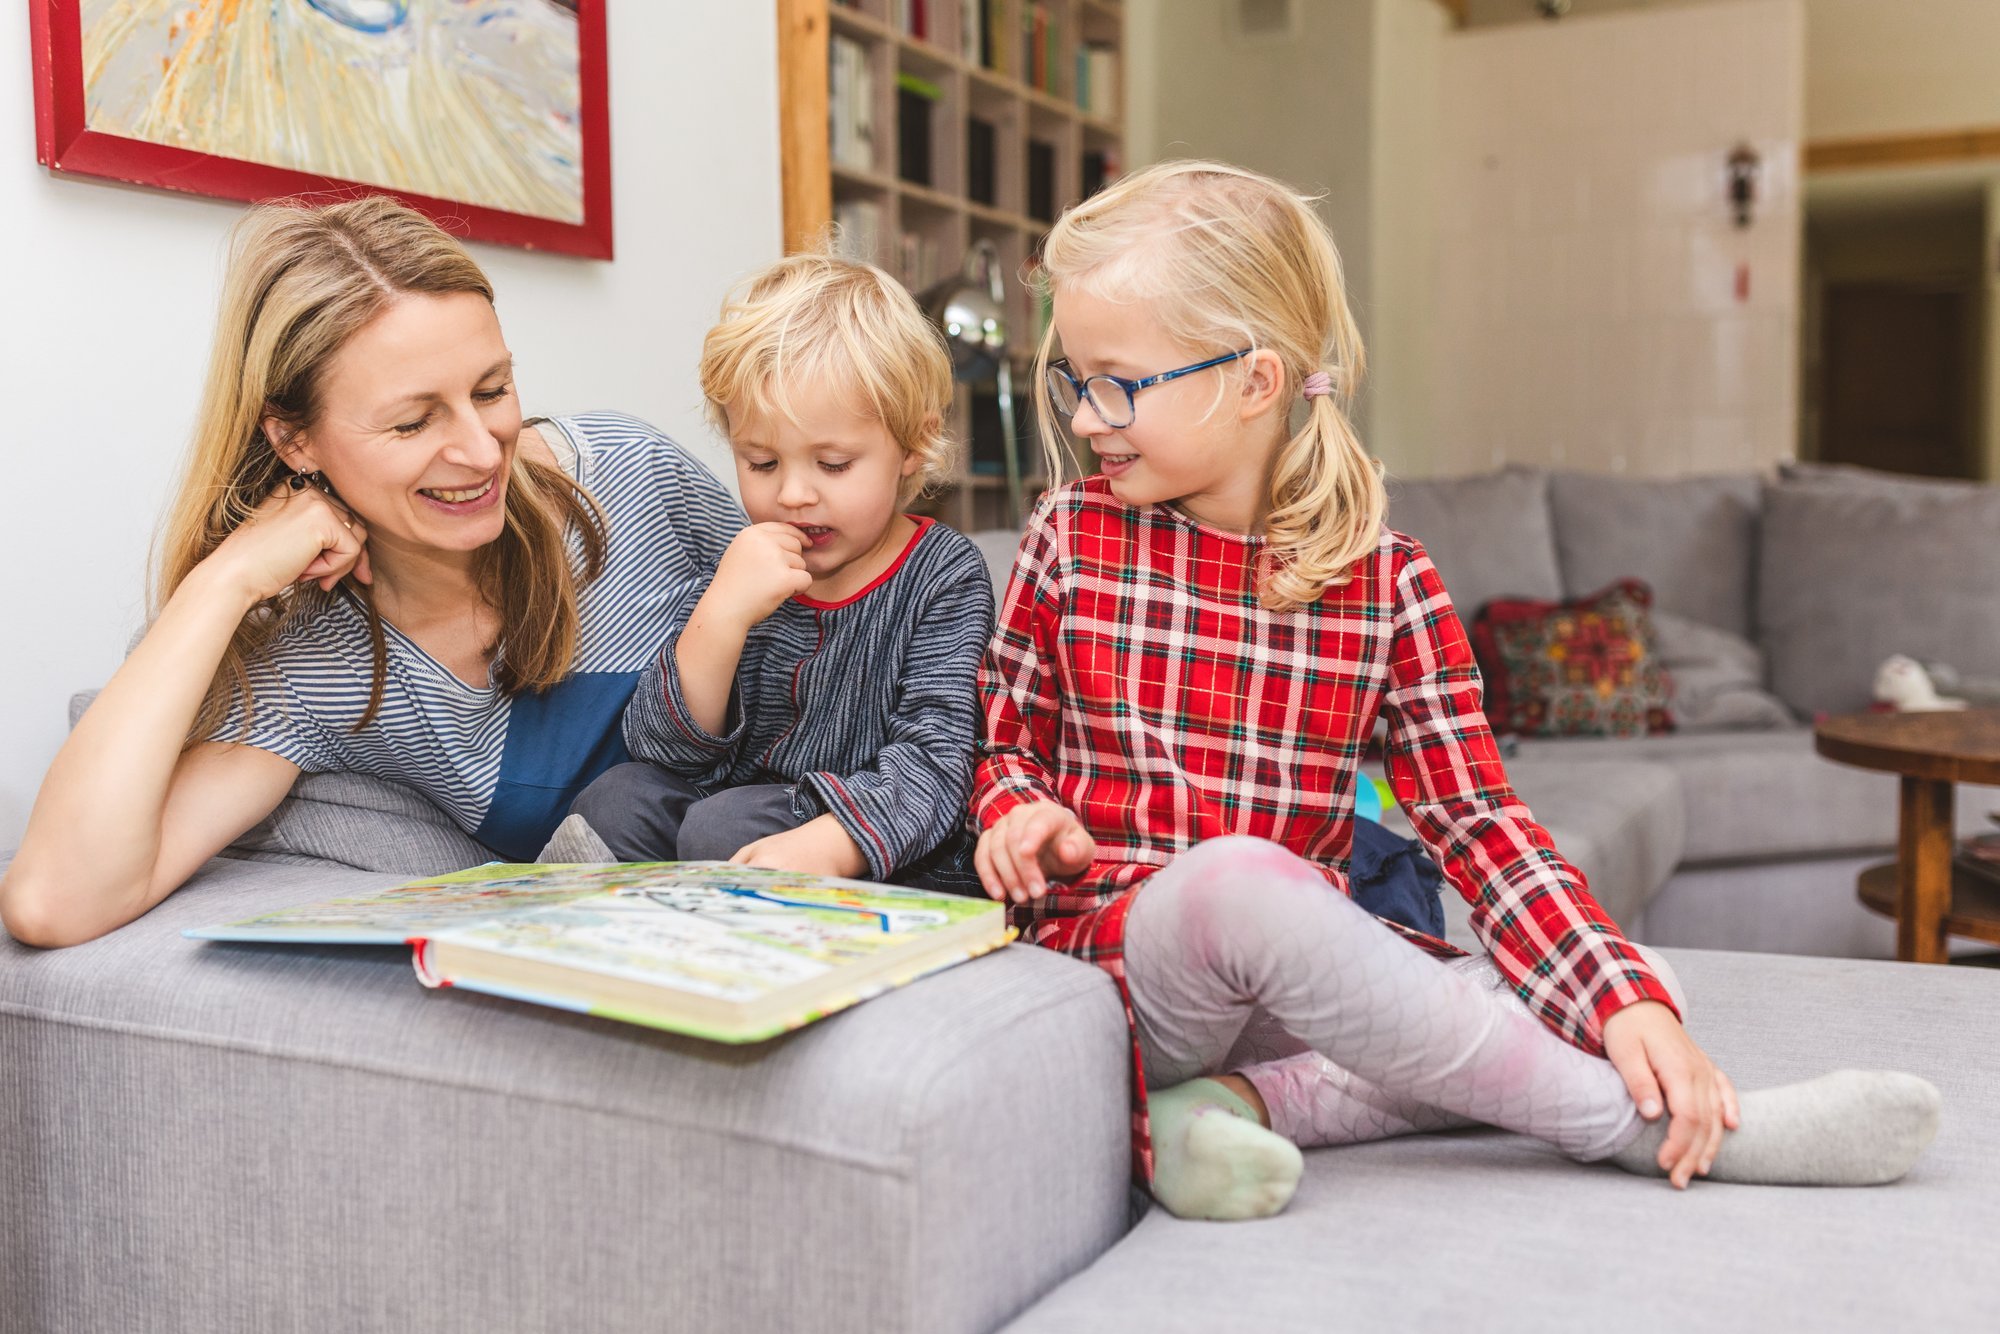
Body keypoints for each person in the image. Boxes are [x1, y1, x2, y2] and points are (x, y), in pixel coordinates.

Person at [971, 160, 1940, 1221]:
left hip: (1282, 987)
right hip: (1124, 963)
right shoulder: (1070, 536)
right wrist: (1018, 810)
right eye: (1073, 382)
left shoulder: (1386, 581)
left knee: (1626, 980)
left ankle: (1239, 1104)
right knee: (1243, 884)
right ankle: (1623, 1126)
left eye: (1115, 383)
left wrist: (1622, 999)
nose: (1087, 419)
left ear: (1252, 383)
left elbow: (1479, 824)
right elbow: (1002, 740)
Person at [0, 196, 742, 948]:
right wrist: (224, 580)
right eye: (413, 422)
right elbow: (55, 901)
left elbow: (826, 626)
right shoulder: (314, 665)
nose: (482, 451)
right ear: (295, 441)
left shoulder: (632, 477)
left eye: (491, 391)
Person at [549, 253, 994, 889]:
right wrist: (722, 615)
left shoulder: (944, 574)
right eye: (761, 463)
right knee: (618, 797)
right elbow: (661, 749)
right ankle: (586, 925)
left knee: (720, 828)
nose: (792, 495)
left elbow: (936, 765)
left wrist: (835, 842)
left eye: (833, 465)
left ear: (913, 446)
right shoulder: (742, 563)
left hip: (881, 844)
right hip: (731, 812)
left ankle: (691, 918)